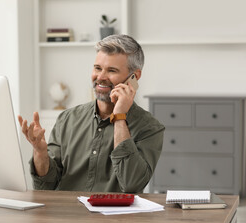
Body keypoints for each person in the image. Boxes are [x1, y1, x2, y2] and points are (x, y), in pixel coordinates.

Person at [18, 34, 165, 193]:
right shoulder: (67, 119)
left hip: (116, 217)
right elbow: (46, 186)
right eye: (97, 68)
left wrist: (120, 117)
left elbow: (132, 184)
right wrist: (40, 153)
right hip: (67, 214)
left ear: (134, 77)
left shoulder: (150, 128)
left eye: (112, 70)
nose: (100, 77)